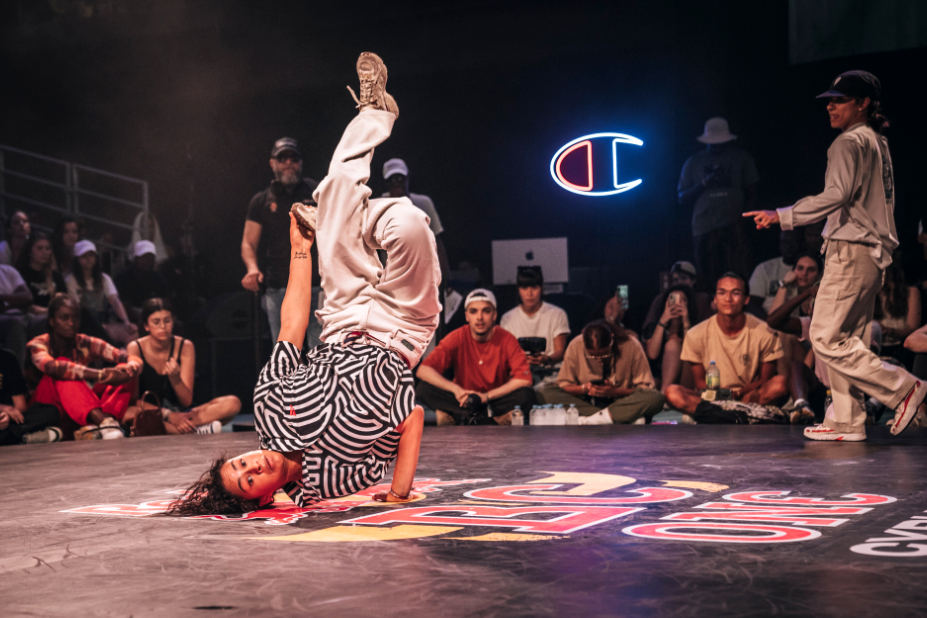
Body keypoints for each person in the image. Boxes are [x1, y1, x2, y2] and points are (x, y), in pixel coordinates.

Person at [167, 52, 438, 516]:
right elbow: (411, 419)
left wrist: (300, 250)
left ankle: (375, 114)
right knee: (412, 222)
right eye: (249, 482)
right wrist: (398, 495)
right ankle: (341, 224)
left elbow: (292, 326)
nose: (252, 466)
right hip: (402, 333)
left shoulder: (269, 406)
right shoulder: (332, 484)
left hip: (343, 315)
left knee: (333, 188)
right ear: (265, 498)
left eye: (240, 464)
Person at [745, 70, 927, 440]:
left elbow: (836, 195)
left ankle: (904, 388)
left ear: (863, 104)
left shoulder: (848, 143)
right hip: (872, 254)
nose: (830, 105)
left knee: (825, 337)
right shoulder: (878, 142)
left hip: (851, 250)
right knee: (848, 338)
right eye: (829, 99)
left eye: (839, 99)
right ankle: (847, 419)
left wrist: (782, 216)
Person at [665, 273, 788, 415]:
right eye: (722, 293)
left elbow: (765, 379)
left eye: (735, 293)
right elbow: (699, 383)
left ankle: (718, 414)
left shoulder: (764, 332)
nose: (728, 299)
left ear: (746, 299)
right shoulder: (695, 334)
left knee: (780, 384)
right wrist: (723, 394)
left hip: (747, 397)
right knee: (672, 392)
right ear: (715, 299)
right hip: (714, 397)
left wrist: (739, 392)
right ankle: (733, 414)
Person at [241, 137, 322, 348]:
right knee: (286, 355)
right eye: (282, 158)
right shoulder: (261, 200)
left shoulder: (317, 193)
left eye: (293, 158)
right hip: (278, 288)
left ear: (301, 163)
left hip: (316, 287)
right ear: (272, 163)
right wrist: (252, 268)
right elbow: (248, 243)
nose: (288, 163)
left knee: (321, 354)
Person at [29, 294, 142, 440]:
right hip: (48, 410)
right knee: (66, 369)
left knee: (124, 368)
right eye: (64, 318)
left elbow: (127, 356)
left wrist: (132, 366)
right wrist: (101, 375)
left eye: (75, 318)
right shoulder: (38, 344)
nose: (71, 323)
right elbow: (54, 368)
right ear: (52, 321)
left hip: (77, 410)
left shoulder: (84, 342)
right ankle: (103, 422)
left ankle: (103, 424)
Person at [416, 289, 535, 425]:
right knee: (423, 389)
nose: (480, 317)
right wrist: (457, 390)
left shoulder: (506, 339)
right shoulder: (458, 336)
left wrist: (486, 397)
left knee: (527, 395)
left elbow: (524, 380)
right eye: (474, 312)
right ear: (467, 316)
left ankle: (460, 417)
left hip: (494, 400)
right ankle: (489, 420)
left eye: (486, 311)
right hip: (463, 400)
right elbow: (423, 370)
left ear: (494, 315)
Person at [126, 298, 240, 434]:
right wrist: (169, 415)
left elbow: (186, 401)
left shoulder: (185, 346)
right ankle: (189, 431)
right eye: (156, 322)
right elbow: (134, 400)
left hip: (182, 413)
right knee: (128, 413)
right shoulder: (135, 348)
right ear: (146, 326)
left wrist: (175, 378)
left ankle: (179, 429)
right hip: (151, 412)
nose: (162, 326)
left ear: (173, 322)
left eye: (167, 321)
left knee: (233, 403)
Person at [678, 118, 759, 289]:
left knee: (739, 275)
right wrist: (704, 184)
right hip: (704, 227)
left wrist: (743, 221)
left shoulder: (741, 157)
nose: (717, 146)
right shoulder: (693, 162)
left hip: (734, 226)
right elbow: (682, 197)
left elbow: (753, 191)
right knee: (707, 279)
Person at [540, 320, 664, 424]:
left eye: (604, 355)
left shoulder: (631, 345)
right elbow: (563, 386)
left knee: (655, 397)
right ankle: (619, 418)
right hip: (587, 403)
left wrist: (615, 392)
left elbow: (645, 388)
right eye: (593, 356)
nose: (599, 360)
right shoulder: (576, 345)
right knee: (544, 393)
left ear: (611, 340)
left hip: (623, 402)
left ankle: (593, 420)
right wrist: (584, 389)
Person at [499, 265, 570, 387]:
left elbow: (559, 352)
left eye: (534, 287)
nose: (529, 293)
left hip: (551, 375)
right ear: (518, 289)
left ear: (541, 288)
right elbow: (506, 356)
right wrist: (521, 360)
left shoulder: (557, 314)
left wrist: (546, 359)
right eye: (524, 287)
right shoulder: (507, 318)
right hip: (521, 376)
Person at [65, 240, 137, 346]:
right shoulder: (70, 280)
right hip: (82, 323)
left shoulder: (104, 278)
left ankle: (127, 359)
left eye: (91, 255)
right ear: (77, 259)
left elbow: (115, 301)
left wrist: (126, 321)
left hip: (103, 321)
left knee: (131, 332)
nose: (89, 259)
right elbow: (76, 308)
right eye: (84, 256)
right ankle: (115, 352)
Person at [643, 283, 699, 394]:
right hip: (660, 379)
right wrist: (663, 320)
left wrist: (686, 321)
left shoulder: (696, 329)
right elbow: (652, 354)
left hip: (686, 380)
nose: (677, 304)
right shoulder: (655, 327)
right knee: (672, 344)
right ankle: (664, 394)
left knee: (676, 345)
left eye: (682, 301)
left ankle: (665, 395)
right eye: (673, 299)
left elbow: (693, 352)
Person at [0, 347, 62, 445]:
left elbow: (21, 406)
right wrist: (3, 408)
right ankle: (22, 438)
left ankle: (14, 436)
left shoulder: (7, 358)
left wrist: (8, 416)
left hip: (6, 421)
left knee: (51, 412)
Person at [16, 231, 68, 338]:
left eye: (47, 249)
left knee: (83, 314)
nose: (45, 252)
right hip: (32, 319)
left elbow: (64, 300)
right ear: (30, 251)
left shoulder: (56, 275)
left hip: (55, 316)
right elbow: (27, 307)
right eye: (40, 248)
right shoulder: (21, 273)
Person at [874, 257, 921, 363]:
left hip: (900, 349)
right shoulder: (873, 291)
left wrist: (889, 330)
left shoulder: (911, 292)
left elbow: (913, 328)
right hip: (875, 347)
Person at [748, 230, 804, 316]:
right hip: (768, 322)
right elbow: (752, 303)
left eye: (794, 242)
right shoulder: (765, 268)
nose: (789, 246)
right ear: (780, 245)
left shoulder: (810, 267)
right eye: (785, 242)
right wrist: (768, 324)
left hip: (799, 323)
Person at [114, 240, 171, 323]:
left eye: (150, 258)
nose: (147, 261)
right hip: (128, 320)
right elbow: (122, 306)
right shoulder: (122, 277)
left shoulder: (158, 279)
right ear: (136, 258)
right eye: (143, 258)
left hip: (155, 317)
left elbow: (165, 301)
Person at [0, 263, 34, 366]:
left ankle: (48, 374)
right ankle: (17, 376)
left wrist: (2, 298)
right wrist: (15, 301)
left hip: (21, 314)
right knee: (15, 323)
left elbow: (27, 296)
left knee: (45, 320)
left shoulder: (7, 270)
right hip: (6, 318)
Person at [52, 215, 82, 279]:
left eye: (74, 232)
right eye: (66, 232)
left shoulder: (83, 253)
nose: (71, 236)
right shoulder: (52, 254)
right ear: (59, 233)